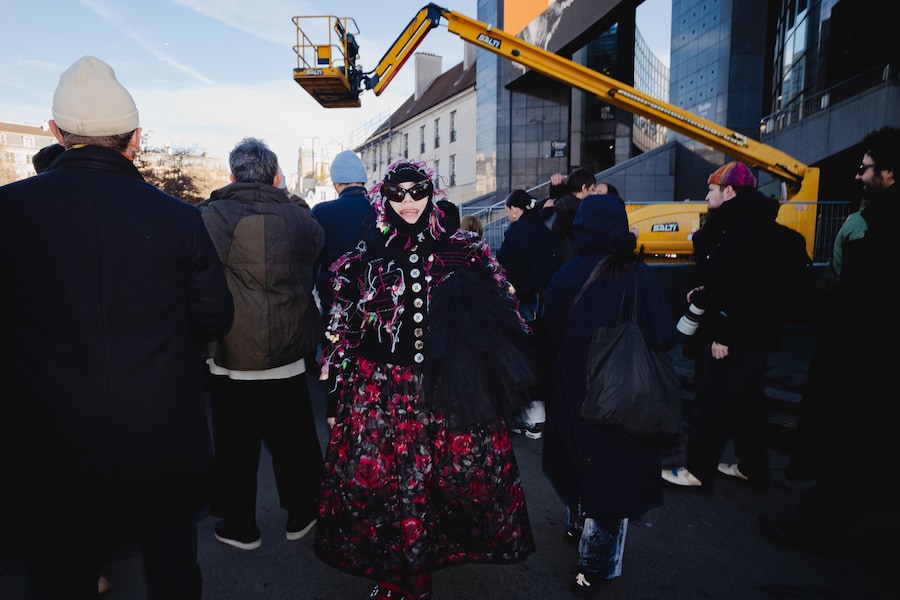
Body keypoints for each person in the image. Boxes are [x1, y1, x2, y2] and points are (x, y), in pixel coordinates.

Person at [0, 55, 234, 600]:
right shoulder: (179, 217)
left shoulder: (9, 212)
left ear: (56, 132)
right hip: (159, 427)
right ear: (135, 137)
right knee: (172, 566)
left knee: (59, 572)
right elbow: (214, 317)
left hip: (48, 433)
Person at [315, 159, 536, 600]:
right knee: (389, 488)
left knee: (447, 482)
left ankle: (422, 561)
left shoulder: (464, 250)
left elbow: (505, 309)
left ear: (432, 193)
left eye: (417, 191)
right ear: (383, 199)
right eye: (397, 194)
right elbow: (342, 335)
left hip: (447, 389)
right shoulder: (361, 259)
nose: (408, 202)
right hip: (382, 393)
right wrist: (336, 401)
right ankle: (398, 577)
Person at [757, 126, 900, 553]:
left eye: (865, 167)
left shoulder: (869, 227)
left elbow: (849, 295)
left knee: (850, 446)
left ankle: (815, 527)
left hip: (862, 359)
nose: (858, 175)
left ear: (889, 172)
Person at [542, 193, 677, 597]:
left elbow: (550, 336)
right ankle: (594, 567)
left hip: (573, 391)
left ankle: (575, 522)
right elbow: (663, 336)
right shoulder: (639, 276)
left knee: (576, 460)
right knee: (613, 476)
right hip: (623, 396)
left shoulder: (565, 276)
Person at [200, 137, 325, 551]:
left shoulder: (211, 217)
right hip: (288, 348)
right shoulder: (299, 217)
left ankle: (241, 524)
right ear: (275, 177)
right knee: (294, 439)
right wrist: (284, 194)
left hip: (232, 352)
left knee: (234, 443)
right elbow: (317, 241)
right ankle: (302, 512)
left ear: (232, 176)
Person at [661, 161, 810, 491]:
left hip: (734, 335)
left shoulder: (738, 232)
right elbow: (749, 284)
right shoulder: (762, 228)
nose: (706, 196)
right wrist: (709, 291)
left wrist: (723, 334)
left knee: (711, 402)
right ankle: (753, 467)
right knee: (749, 403)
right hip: (759, 334)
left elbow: (741, 288)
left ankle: (697, 470)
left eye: (712, 189)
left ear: (729, 191)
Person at [496, 189, 563, 439]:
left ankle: (530, 418)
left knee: (525, 358)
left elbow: (504, 271)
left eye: (508, 210)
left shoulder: (515, 234)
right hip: (548, 303)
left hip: (524, 303)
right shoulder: (544, 230)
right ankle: (543, 414)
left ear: (515, 209)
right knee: (545, 355)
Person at [310, 150, 373, 299]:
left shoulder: (320, 212)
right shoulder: (380, 209)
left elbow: (312, 261)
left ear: (336, 183)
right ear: (363, 181)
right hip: (373, 295)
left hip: (335, 297)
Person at [540, 168, 597, 262]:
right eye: (593, 189)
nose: (595, 193)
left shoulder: (559, 204)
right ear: (584, 188)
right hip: (571, 260)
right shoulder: (580, 210)